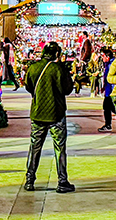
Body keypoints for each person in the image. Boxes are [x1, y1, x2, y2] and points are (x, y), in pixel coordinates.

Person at [23, 42, 75, 193]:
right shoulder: (58, 69)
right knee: (59, 148)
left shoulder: (33, 67)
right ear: (57, 54)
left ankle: (29, 179)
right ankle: (62, 181)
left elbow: (28, 86)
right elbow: (67, 89)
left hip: (38, 113)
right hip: (56, 114)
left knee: (35, 147)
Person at [98, 49, 115, 132]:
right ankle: (108, 124)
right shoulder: (108, 64)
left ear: (107, 57)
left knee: (108, 107)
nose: (102, 58)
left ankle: (108, 125)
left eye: (103, 56)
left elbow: (109, 78)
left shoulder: (111, 65)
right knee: (109, 107)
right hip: (109, 90)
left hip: (111, 91)